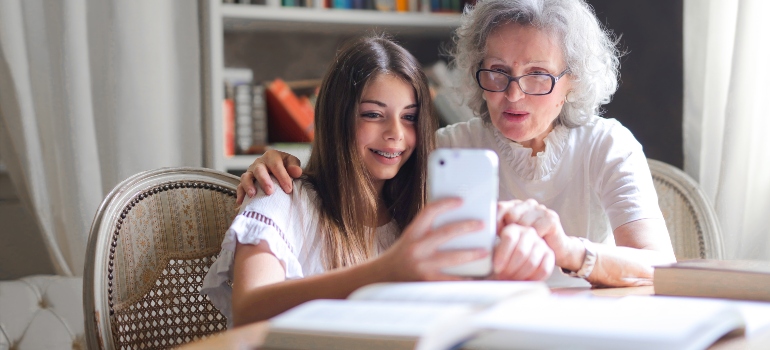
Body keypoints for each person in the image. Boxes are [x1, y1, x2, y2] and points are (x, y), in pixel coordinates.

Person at [236, 0, 677, 288]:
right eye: (497, 71)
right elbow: (360, 167)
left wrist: (569, 251)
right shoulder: (443, 150)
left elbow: (661, 269)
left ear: (571, 83)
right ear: (476, 73)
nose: (513, 94)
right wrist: (276, 162)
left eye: (538, 76)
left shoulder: (607, 144)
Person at [201, 35, 554, 328]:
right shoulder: (281, 195)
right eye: (373, 115)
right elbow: (249, 309)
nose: (395, 135)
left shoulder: (417, 214)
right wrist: (387, 270)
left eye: (410, 118)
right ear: (337, 118)